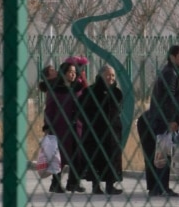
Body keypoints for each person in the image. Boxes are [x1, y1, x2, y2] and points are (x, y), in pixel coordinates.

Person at [140, 45, 179, 197]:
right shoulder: (170, 73)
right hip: (162, 119)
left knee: (159, 152)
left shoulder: (169, 71)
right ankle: (162, 187)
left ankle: (157, 187)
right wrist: (171, 120)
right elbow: (169, 98)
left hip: (157, 117)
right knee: (164, 152)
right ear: (172, 56)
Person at [79, 65, 124, 195]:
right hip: (95, 132)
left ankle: (111, 185)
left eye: (113, 75)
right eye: (108, 75)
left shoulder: (117, 92)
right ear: (101, 76)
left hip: (113, 132)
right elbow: (80, 110)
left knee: (112, 158)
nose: (111, 78)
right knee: (96, 158)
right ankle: (96, 186)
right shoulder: (90, 91)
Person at [44, 62, 87, 193]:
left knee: (77, 156)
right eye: (70, 72)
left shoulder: (78, 88)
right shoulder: (56, 89)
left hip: (77, 127)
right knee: (60, 157)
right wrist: (47, 126)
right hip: (60, 128)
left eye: (74, 72)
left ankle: (73, 183)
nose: (73, 74)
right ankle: (55, 183)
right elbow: (49, 109)